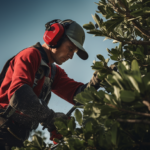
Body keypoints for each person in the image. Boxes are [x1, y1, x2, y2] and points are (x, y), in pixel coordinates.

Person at [0, 19, 100, 150]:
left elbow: (78, 95)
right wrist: (50, 118)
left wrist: (99, 80)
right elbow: (19, 95)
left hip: (18, 138)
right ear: (55, 38)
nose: (71, 56)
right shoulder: (30, 55)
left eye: (74, 52)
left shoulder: (53, 72)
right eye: (70, 49)